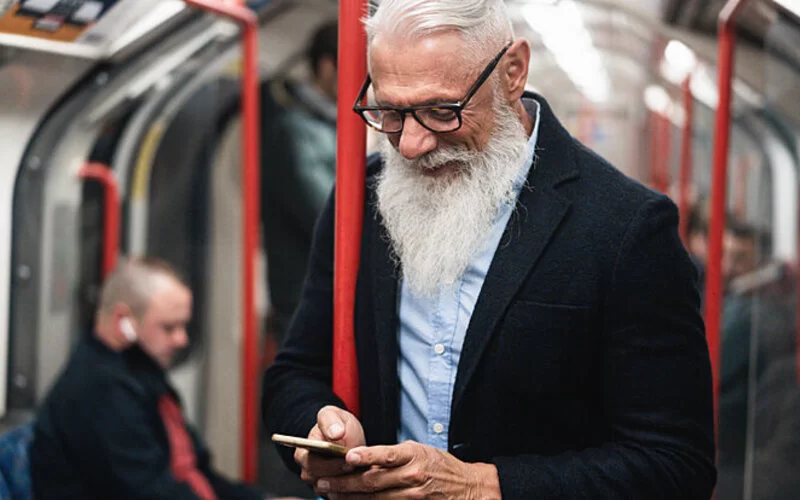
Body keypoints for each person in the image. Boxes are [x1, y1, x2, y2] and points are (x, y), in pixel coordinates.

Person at [262, 1, 716, 498]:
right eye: (389, 113)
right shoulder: (360, 201)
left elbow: (676, 464)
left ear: (513, 72)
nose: (410, 145)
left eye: (442, 110)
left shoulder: (626, 228)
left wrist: (484, 486)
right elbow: (296, 372)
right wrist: (319, 428)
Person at [30, 257, 273, 499]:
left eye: (184, 326)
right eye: (168, 328)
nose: (182, 340)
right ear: (121, 321)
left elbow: (194, 471)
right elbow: (149, 492)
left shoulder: (141, 371)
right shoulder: (98, 390)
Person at [261, 20, 338, 345]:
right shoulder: (295, 132)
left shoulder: (328, 125)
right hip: (302, 297)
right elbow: (329, 214)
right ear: (326, 67)